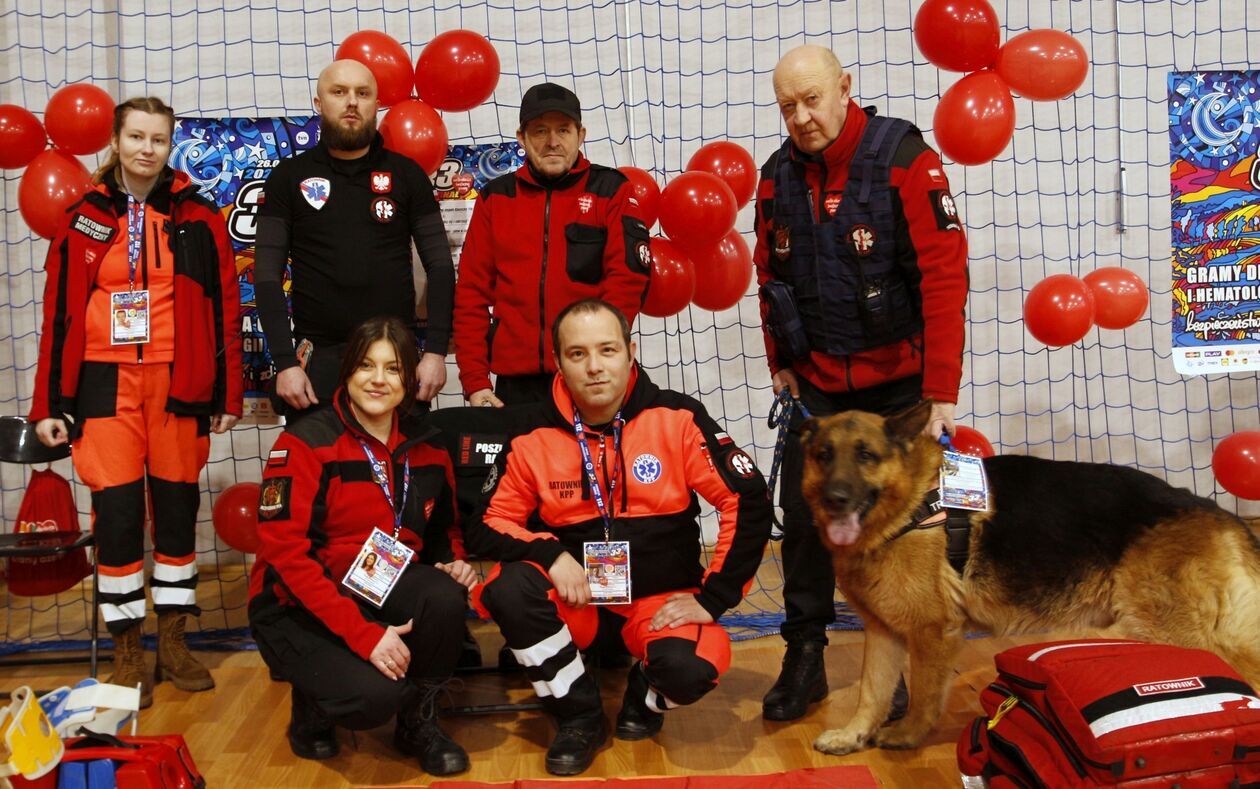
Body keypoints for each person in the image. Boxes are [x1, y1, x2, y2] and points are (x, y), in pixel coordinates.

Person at [754, 44, 969, 722]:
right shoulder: (774, 178)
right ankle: (804, 655)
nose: (801, 116)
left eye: (812, 99)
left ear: (845, 88)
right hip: (818, 388)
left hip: (900, 392)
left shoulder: (905, 159)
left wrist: (941, 392)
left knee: (910, 532)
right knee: (805, 524)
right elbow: (769, 276)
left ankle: (895, 665)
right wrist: (781, 364)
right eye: (788, 106)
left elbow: (944, 277)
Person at [466, 299, 772, 776]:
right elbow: (487, 522)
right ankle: (578, 717)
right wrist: (550, 555)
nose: (594, 366)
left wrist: (714, 597)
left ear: (631, 351)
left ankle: (645, 696)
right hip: (578, 602)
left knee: (693, 668)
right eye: (578, 353)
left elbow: (747, 500)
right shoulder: (529, 432)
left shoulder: (678, 416)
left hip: (656, 605)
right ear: (559, 362)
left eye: (607, 350)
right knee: (510, 589)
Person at [29, 96, 243, 709]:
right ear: (116, 142)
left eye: (158, 139)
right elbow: (59, 318)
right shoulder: (83, 219)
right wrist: (48, 405)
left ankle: (173, 642)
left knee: (176, 514)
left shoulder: (199, 215)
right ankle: (126, 649)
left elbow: (226, 308)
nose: (147, 149)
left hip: (179, 385)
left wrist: (227, 392)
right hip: (104, 387)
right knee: (119, 519)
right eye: (136, 137)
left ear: (169, 145)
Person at [248, 316, 475, 775]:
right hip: (296, 603)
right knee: (374, 698)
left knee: (445, 595)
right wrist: (365, 635)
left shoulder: (429, 449)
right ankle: (312, 705)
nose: (378, 379)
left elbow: (442, 532)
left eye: (393, 369)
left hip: (379, 585)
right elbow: (289, 558)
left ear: (409, 380)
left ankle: (419, 722)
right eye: (366, 366)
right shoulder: (304, 444)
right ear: (347, 371)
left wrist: (454, 562)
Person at [254, 59, 454, 419]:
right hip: (316, 365)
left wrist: (436, 353)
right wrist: (285, 363)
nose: (351, 102)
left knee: (403, 457)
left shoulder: (407, 175)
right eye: (339, 92)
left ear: (376, 104)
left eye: (362, 93)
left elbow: (440, 266)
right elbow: (267, 275)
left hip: (393, 359)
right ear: (319, 103)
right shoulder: (288, 177)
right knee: (315, 459)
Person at [453, 82, 652, 409]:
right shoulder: (495, 198)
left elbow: (627, 284)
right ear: (522, 138)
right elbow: (471, 294)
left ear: (581, 135)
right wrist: (475, 381)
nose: (553, 142)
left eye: (563, 130)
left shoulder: (611, 190)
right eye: (540, 131)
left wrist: (595, 358)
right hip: (515, 388)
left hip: (589, 378)